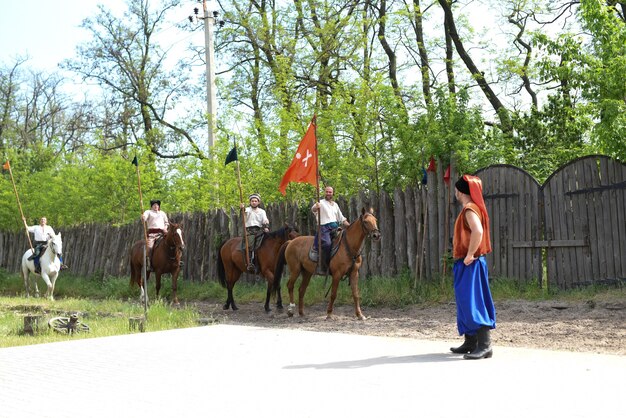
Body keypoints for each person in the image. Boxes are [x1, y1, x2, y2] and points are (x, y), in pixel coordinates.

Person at [450, 175, 496, 360]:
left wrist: (470, 254)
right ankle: (471, 342)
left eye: (456, 189)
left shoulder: (470, 209)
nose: (455, 192)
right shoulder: (471, 208)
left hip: (471, 262)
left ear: (461, 191)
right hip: (468, 263)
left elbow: (478, 231)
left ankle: (485, 346)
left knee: (474, 302)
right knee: (464, 302)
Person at [311, 186, 350, 273]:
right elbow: (313, 209)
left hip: (335, 228)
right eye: (327, 192)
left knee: (344, 242)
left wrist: (350, 226)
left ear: (333, 193)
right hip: (323, 228)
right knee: (328, 244)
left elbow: (342, 218)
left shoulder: (335, 205)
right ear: (325, 192)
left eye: (330, 192)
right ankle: (324, 265)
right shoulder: (320, 202)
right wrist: (316, 207)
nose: (328, 193)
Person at [240, 193, 269, 272]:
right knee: (250, 245)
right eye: (252, 201)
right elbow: (244, 216)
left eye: (255, 201)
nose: (254, 202)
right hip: (250, 231)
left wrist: (266, 226)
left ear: (258, 202)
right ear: (250, 202)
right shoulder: (247, 210)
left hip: (259, 230)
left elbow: (265, 220)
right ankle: (250, 263)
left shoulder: (262, 211)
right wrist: (242, 208)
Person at [142, 199, 169, 271]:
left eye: (157, 205)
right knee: (150, 247)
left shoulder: (162, 213)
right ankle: (149, 264)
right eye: (154, 205)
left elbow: (166, 223)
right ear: (151, 206)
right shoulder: (148, 212)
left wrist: (165, 228)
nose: (156, 206)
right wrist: (143, 217)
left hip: (162, 233)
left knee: (172, 242)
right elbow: (144, 217)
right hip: (152, 234)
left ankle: (175, 262)